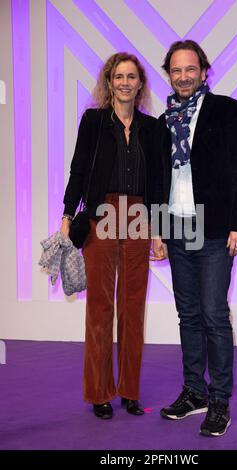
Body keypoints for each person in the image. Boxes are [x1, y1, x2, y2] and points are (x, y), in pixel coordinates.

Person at [153, 40, 237, 436]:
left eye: (189, 69)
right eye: (176, 71)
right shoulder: (165, 119)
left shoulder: (226, 110)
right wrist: (159, 230)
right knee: (188, 314)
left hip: (214, 228)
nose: (183, 77)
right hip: (177, 227)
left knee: (213, 314)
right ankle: (194, 391)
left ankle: (219, 400)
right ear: (170, 75)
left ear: (203, 71)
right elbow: (161, 179)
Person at [60, 53, 157, 419]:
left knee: (133, 308)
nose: (125, 82)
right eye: (119, 76)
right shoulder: (94, 121)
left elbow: (158, 181)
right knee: (100, 308)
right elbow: (78, 168)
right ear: (109, 81)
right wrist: (68, 213)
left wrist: (159, 229)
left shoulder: (152, 128)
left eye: (132, 76)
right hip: (101, 214)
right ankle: (100, 392)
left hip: (139, 218)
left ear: (140, 84)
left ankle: (130, 391)